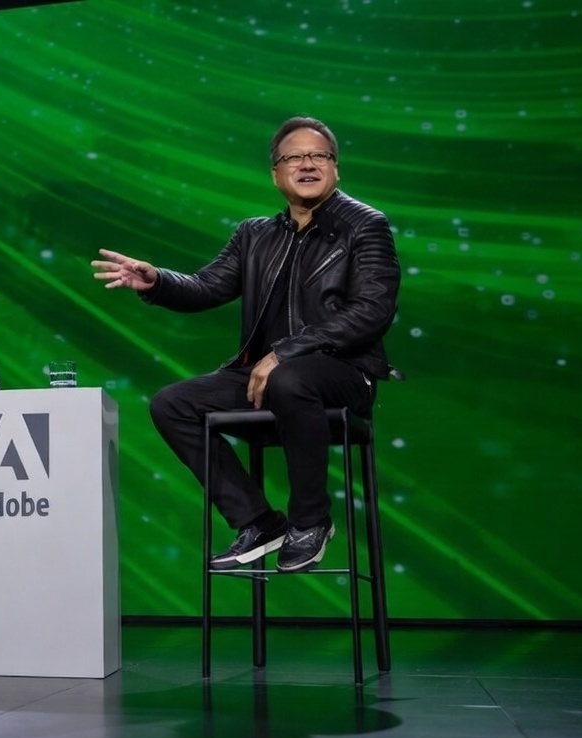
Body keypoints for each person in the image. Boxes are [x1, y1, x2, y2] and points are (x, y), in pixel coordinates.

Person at [92, 116, 399, 573]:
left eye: (318, 155)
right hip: (268, 379)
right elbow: (205, 287)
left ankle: (310, 522)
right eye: (294, 157)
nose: (307, 164)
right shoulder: (254, 234)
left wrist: (284, 353)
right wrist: (157, 281)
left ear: (336, 169)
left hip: (343, 373)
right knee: (172, 404)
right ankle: (258, 521)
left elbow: (373, 310)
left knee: (291, 378)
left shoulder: (366, 225)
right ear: (276, 174)